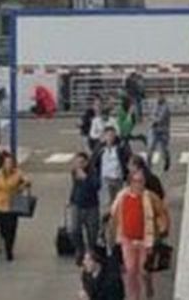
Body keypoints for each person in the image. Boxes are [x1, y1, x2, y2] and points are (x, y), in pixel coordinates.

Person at [110, 169, 167, 300]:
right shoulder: (122, 196)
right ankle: (134, 297)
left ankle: (148, 289)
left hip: (145, 240)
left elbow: (161, 213)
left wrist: (161, 228)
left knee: (144, 271)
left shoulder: (150, 197)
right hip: (127, 240)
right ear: (130, 182)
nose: (139, 184)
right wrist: (112, 235)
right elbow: (114, 215)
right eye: (136, 181)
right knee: (130, 270)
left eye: (142, 181)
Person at [0, 151, 30, 261]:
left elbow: (27, 182)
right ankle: (6, 241)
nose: (8, 165)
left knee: (12, 228)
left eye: (10, 163)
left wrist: (22, 186)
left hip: (13, 203)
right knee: (3, 228)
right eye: (6, 162)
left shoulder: (18, 173)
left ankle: (9, 249)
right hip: (0, 203)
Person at [70, 152, 102, 266]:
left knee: (92, 230)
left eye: (81, 162)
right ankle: (80, 249)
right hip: (77, 205)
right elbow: (75, 187)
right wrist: (72, 199)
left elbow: (97, 185)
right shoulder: (75, 172)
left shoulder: (92, 172)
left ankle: (91, 250)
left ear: (87, 163)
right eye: (77, 162)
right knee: (74, 229)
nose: (79, 165)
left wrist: (86, 178)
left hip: (91, 205)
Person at [93, 125, 131, 209]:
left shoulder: (120, 147)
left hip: (118, 178)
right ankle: (108, 217)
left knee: (118, 200)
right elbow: (94, 161)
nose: (110, 137)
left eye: (112, 135)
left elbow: (127, 158)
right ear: (104, 136)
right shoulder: (100, 148)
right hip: (106, 178)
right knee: (108, 201)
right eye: (108, 135)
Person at [146, 96, 171, 172]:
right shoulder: (155, 105)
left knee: (163, 150)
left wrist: (153, 119)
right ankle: (148, 165)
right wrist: (153, 118)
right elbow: (151, 116)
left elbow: (160, 119)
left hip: (163, 131)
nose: (158, 98)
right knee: (150, 148)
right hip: (154, 131)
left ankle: (167, 160)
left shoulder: (166, 108)